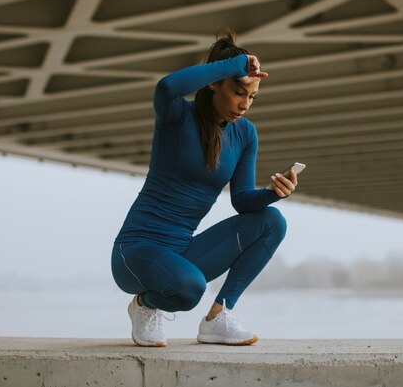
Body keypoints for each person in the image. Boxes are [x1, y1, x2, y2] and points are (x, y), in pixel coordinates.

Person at [111, 29, 299, 347]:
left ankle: (218, 317)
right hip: (136, 252)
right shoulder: (175, 115)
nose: (245, 104)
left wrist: (273, 192)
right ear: (214, 83)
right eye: (239, 92)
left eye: (252, 97)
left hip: (184, 253)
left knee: (272, 221)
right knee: (189, 288)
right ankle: (145, 306)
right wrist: (233, 65)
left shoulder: (244, 134)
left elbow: (242, 201)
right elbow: (166, 85)